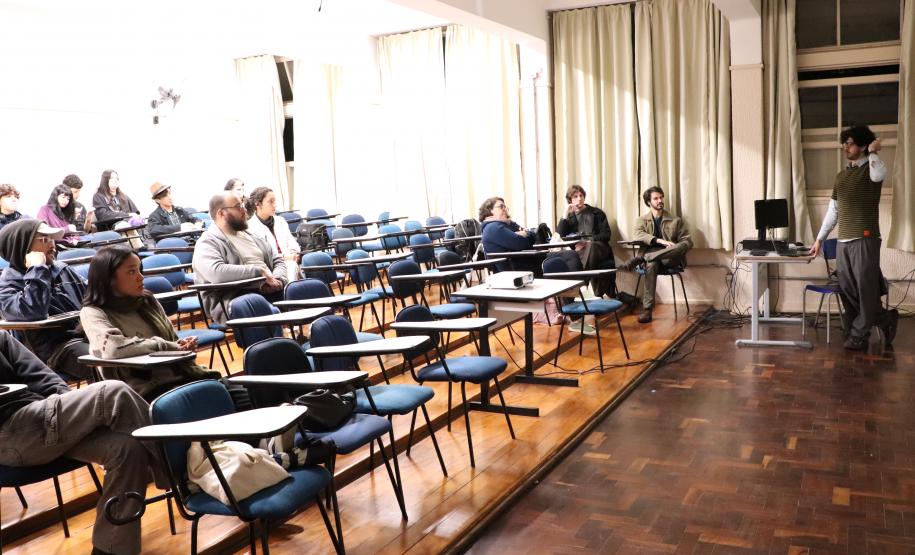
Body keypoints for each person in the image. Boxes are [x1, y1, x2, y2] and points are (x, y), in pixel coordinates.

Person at [0, 329, 166, 555]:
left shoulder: (2, 338)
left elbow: (43, 376)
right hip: (8, 435)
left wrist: (66, 411)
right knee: (114, 391)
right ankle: (181, 476)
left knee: (127, 448)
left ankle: (110, 549)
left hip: (40, 419)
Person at [80, 246, 220, 401]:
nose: (141, 277)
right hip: (144, 391)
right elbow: (114, 348)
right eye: (131, 272)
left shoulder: (146, 301)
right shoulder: (93, 312)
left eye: (140, 270)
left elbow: (172, 341)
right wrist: (166, 346)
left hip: (182, 376)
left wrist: (181, 345)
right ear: (109, 278)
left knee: (235, 395)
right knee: (213, 400)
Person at [808, 125, 897, 350]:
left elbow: (879, 175)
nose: (845, 148)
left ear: (863, 145)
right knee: (848, 288)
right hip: (844, 240)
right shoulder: (841, 176)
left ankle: (859, 334)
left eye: (849, 144)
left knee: (866, 288)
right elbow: (833, 211)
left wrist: (873, 152)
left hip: (865, 238)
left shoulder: (872, 169)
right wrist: (819, 239)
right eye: (844, 144)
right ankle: (884, 319)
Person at [0, 219, 92, 380]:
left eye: (52, 239)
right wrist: (37, 269)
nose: (52, 244)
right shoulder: (8, 285)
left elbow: (93, 297)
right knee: (110, 363)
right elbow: (33, 311)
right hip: (56, 350)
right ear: (22, 247)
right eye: (44, 239)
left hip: (89, 335)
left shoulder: (62, 269)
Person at [192, 193, 288, 324]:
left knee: (301, 290)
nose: (244, 210)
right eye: (238, 207)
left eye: (243, 205)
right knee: (254, 303)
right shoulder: (208, 242)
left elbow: (277, 260)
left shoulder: (251, 235)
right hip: (234, 299)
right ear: (221, 213)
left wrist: (279, 279)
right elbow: (216, 272)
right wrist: (260, 273)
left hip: (270, 289)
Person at [619, 187, 693, 323]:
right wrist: (659, 241)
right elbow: (638, 234)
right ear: (648, 202)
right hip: (652, 261)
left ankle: (642, 258)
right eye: (656, 198)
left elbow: (687, 241)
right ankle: (647, 311)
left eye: (661, 197)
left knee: (683, 245)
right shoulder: (641, 220)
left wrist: (676, 245)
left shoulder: (675, 220)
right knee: (651, 264)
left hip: (670, 259)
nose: (660, 200)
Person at [556, 184, 617, 298]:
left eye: (581, 195)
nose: (579, 198)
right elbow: (560, 235)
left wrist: (588, 241)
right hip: (580, 251)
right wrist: (565, 214)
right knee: (567, 256)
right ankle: (572, 293)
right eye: (575, 196)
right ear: (570, 200)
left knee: (591, 247)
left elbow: (606, 235)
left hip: (599, 248)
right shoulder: (570, 217)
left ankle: (582, 284)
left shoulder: (597, 213)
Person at [245, 186, 301, 281]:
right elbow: (261, 255)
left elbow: (291, 241)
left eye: (275, 201)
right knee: (290, 266)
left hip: (290, 261)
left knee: (292, 265)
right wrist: (284, 257)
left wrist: (293, 252)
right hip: (270, 268)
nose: (275, 205)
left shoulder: (281, 221)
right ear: (258, 204)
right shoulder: (250, 227)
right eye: (271, 201)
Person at [479, 197, 535, 273]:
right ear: (490, 210)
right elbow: (522, 243)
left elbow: (533, 235)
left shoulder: (508, 223)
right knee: (550, 264)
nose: (505, 209)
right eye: (501, 207)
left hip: (524, 262)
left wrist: (526, 233)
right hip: (516, 271)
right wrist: (525, 235)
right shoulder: (493, 228)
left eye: (505, 207)